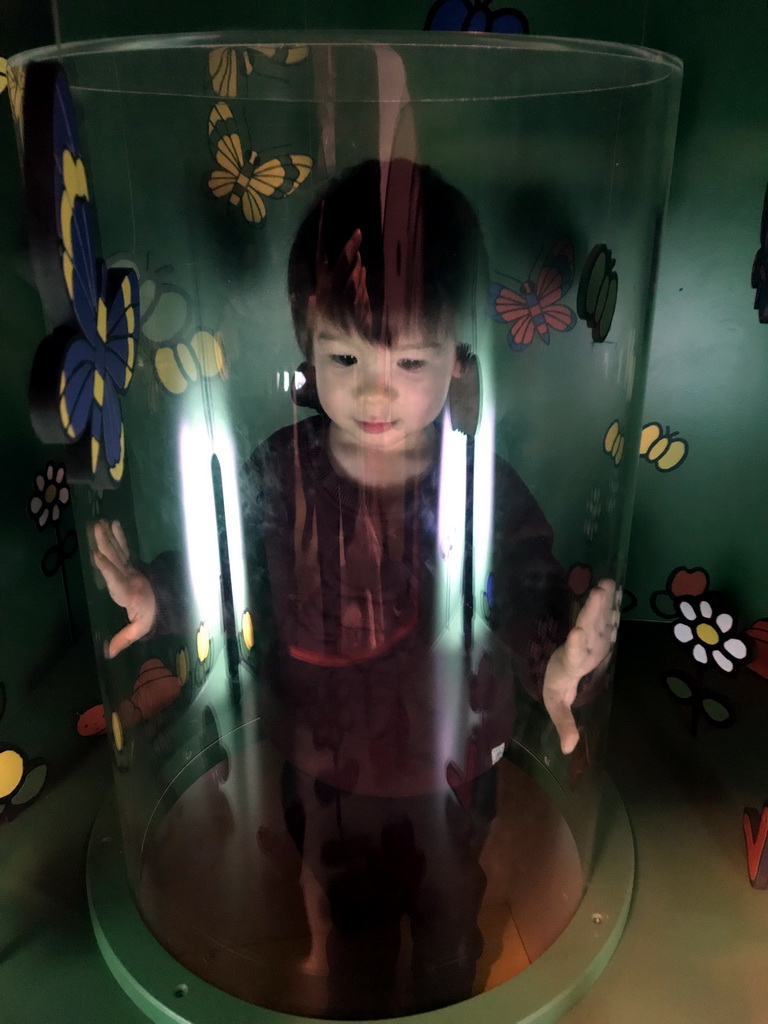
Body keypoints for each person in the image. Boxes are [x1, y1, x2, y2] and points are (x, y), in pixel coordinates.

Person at [92, 159, 616, 1018]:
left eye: (410, 358)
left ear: (455, 359)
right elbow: (226, 560)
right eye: (344, 354)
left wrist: (559, 664)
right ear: (306, 342)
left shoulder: (472, 477)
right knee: (355, 921)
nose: (375, 388)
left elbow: (524, 584)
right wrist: (156, 597)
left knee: (449, 910)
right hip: (320, 761)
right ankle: (362, 986)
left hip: (447, 759)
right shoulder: (283, 466)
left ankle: (446, 984)